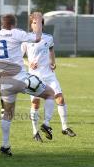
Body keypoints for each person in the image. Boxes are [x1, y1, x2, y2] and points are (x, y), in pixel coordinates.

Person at [0, 13, 55, 156]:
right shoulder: (16, 33)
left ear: (2, 24)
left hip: (5, 82)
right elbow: (37, 37)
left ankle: (5, 145)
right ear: (13, 24)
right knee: (50, 94)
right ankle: (46, 124)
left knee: (8, 114)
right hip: (22, 79)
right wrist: (38, 21)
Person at [22, 14, 76, 142]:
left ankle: (64, 127)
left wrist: (53, 62)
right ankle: (35, 131)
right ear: (31, 25)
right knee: (35, 103)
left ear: (43, 24)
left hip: (49, 75)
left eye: (40, 23)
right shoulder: (26, 40)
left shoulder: (48, 38)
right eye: (34, 23)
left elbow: (51, 50)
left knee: (60, 98)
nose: (37, 25)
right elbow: (18, 58)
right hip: (34, 77)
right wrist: (28, 63)